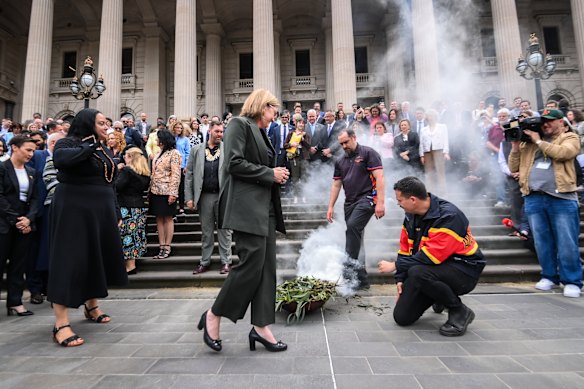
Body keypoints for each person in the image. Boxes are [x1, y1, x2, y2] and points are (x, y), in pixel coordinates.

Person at [198, 89, 289, 353]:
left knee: (265, 268)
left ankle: (261, 327)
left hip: (265, 208)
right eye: (273, 109)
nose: (275, 115)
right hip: (246, 208)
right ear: (263, 106)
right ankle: (213, 315)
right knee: (251, 265)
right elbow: (234, 163)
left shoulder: (260, 131)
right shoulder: (239, 124)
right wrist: (269, 173)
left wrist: (276, 174)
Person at [48, 108, 128, 347]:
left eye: (107, 123)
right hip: (74, 209)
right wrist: (89, 146)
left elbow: (110, 182)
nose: (107, 127)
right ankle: (61, 323)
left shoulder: (103, 148)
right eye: (102, 123)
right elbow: (61, 161)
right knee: (69, 259)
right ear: (87, 123)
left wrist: (114, 210)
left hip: (101, 211)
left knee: (97, 258)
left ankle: (91, 306)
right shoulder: (67, 143)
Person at [378, 176, 486, 336]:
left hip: (464, 270)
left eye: (399, 200)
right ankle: (438, 296)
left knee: (417, 272)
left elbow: (431, 257)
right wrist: (400, 278)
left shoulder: (449, 217)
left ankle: (459, 311)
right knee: (402, 317)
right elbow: (405, 249)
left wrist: (395, 266)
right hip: (433, 269)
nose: (398, 204)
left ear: (413, 199)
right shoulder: (411, 216)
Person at [508, 109, 582, 298]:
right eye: (543, 121)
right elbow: (513, 167)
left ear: (561, 122)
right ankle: (549, 276)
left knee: (567, 242)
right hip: (533, 197)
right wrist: (516, 147)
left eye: (550, 121)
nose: (546, 124)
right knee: (542, 242)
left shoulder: (570, 137)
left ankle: (572, 280)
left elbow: (563, 154)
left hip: (561, 197)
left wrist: (539, 141)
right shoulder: (530, 143)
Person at [326, 128, 385, 290]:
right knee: (356, 237)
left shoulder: (368, 153)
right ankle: (362, 280)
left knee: (352, 228)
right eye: (341, 144)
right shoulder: (340, 161)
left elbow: (379, 177)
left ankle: (348, 272)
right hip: (349, 203)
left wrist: (380, 202)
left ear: (354, 138)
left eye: (346, 142)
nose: (344, 146)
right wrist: (330, 206)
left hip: (367, 199)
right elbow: (336, 184)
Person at [186, 120, 233, 275]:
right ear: (210, 132)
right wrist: (189, 197)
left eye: (221, 132)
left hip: (223, 196)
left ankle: (226, 261)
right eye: (217, 131)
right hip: (204, 196)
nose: (220, 134)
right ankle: (204, 261)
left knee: (224, 230)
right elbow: (190, 176)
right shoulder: (196, 150)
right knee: (206, 232)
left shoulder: (228, 149)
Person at [0, 135, 39, 317]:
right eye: (28, 150)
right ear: (15, 147)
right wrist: (17, 220)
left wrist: (28, 219)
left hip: (25, 224)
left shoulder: (31, 171)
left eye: (33, 150)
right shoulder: (2, 168)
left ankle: (15, 302)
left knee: (18, 265)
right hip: (5, 223)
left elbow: (35, 198)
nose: (31, 154)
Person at [116, 147, 150, 274]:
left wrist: (117, 171)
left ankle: (129, 266)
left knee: (126, 236)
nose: (123, 157)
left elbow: (117, 187)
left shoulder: (126, 171)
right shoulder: (144, 173)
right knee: (135, 236)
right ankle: (132, 263)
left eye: (125, 155)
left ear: (131, 157)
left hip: (126, 207)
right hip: (139, 207)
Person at [149, 129, 182, 259]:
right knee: (158, 218)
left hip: (167, 190)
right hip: (155, 190)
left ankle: (167, 246)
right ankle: (161, 245)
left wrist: (173, 193)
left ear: (163, 139)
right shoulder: (157, 153)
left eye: (158, 138)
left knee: (168, 218)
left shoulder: (174, 153)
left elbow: (176, 174)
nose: (156, 140)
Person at [419, 109, 450, 195]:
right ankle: (430, 191)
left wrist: (446, 152)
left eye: (432, 116)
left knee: (440, 171)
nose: (430, 118)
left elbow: (445, 139)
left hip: (439, 150)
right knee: (429, 172)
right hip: (427, 151)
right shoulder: (423, 129)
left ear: (435, 117)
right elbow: (421, 143)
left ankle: (443, 191)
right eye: (428, 116)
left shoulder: (442, 126)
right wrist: (421, 155)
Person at [284, 114, 312, 203]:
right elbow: (285, 145)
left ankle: (304, 196)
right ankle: (296, 196)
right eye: (299, 123)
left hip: (304, 158)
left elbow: (309, 147)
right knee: (295, 178)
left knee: (304, 178)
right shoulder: (291, 133)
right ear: (296, 124)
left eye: (302, 123)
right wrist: (291, 144)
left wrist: (302, 139)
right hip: (294, 158)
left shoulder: (306, 134)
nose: (301, 125)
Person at [171, 121, 191, 215]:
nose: (179, 129)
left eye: (181, 128)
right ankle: (173, 208)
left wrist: (186, 165)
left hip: (182, 165)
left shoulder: (185, 139)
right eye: (177, 127)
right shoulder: (171, 138)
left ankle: (181, 207)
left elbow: (188, 153)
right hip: (172, 165)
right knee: (173, 187)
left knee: (181, 187)